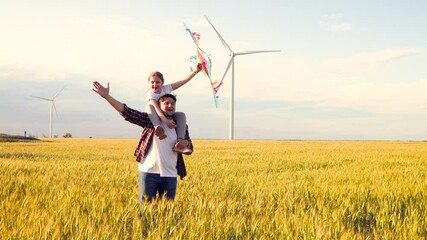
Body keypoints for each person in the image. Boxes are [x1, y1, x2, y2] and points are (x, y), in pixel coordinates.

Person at [92, 81, 193, 202]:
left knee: (167, 214)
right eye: (167, 103)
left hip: (170, 175)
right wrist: (107, 97)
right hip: (149, 172)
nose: (170, 106)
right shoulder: (149, 120)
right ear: (159, 107)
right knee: (144, 210)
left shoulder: (180, 125)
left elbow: (190, 146)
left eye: (173, 104)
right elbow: (127, 112)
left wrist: (184, 144)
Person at [146, 64, 201, 155]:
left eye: (157, 82)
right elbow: (156, 108)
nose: (154, 85)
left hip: (167, 113)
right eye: (152, 82)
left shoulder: (166, 88)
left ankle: (180, 141)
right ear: (149, 83)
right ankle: (158, 129)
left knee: (181, 115)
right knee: (150, 107)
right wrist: (166, 121)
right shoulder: (150, 94)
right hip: (155, 115)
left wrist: (195, 71)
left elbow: (182, 81)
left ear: (162, 82)